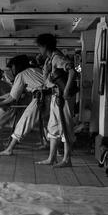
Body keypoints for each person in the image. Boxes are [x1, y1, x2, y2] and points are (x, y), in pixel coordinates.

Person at [34, 34, 77, 168]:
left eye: (39, 47)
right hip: (55, 96)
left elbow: (72, 71)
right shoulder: (49, 59)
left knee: (66, 127)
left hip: (63, 97)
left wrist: (66, 90)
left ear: (45, 46)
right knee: (53, 126)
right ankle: (51, 158)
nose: (39, 50)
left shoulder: (57, 58)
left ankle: (67, 159)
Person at [0, 55, 46, 156]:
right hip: (52, 96)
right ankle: (48, 144)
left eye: (12, 67)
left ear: (17, 66)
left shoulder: (22, 75)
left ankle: (9, 149)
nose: (12, 70)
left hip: (40, 98)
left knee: (24, 121)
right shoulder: (36, 70)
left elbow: (12, 98)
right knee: (47, 121)